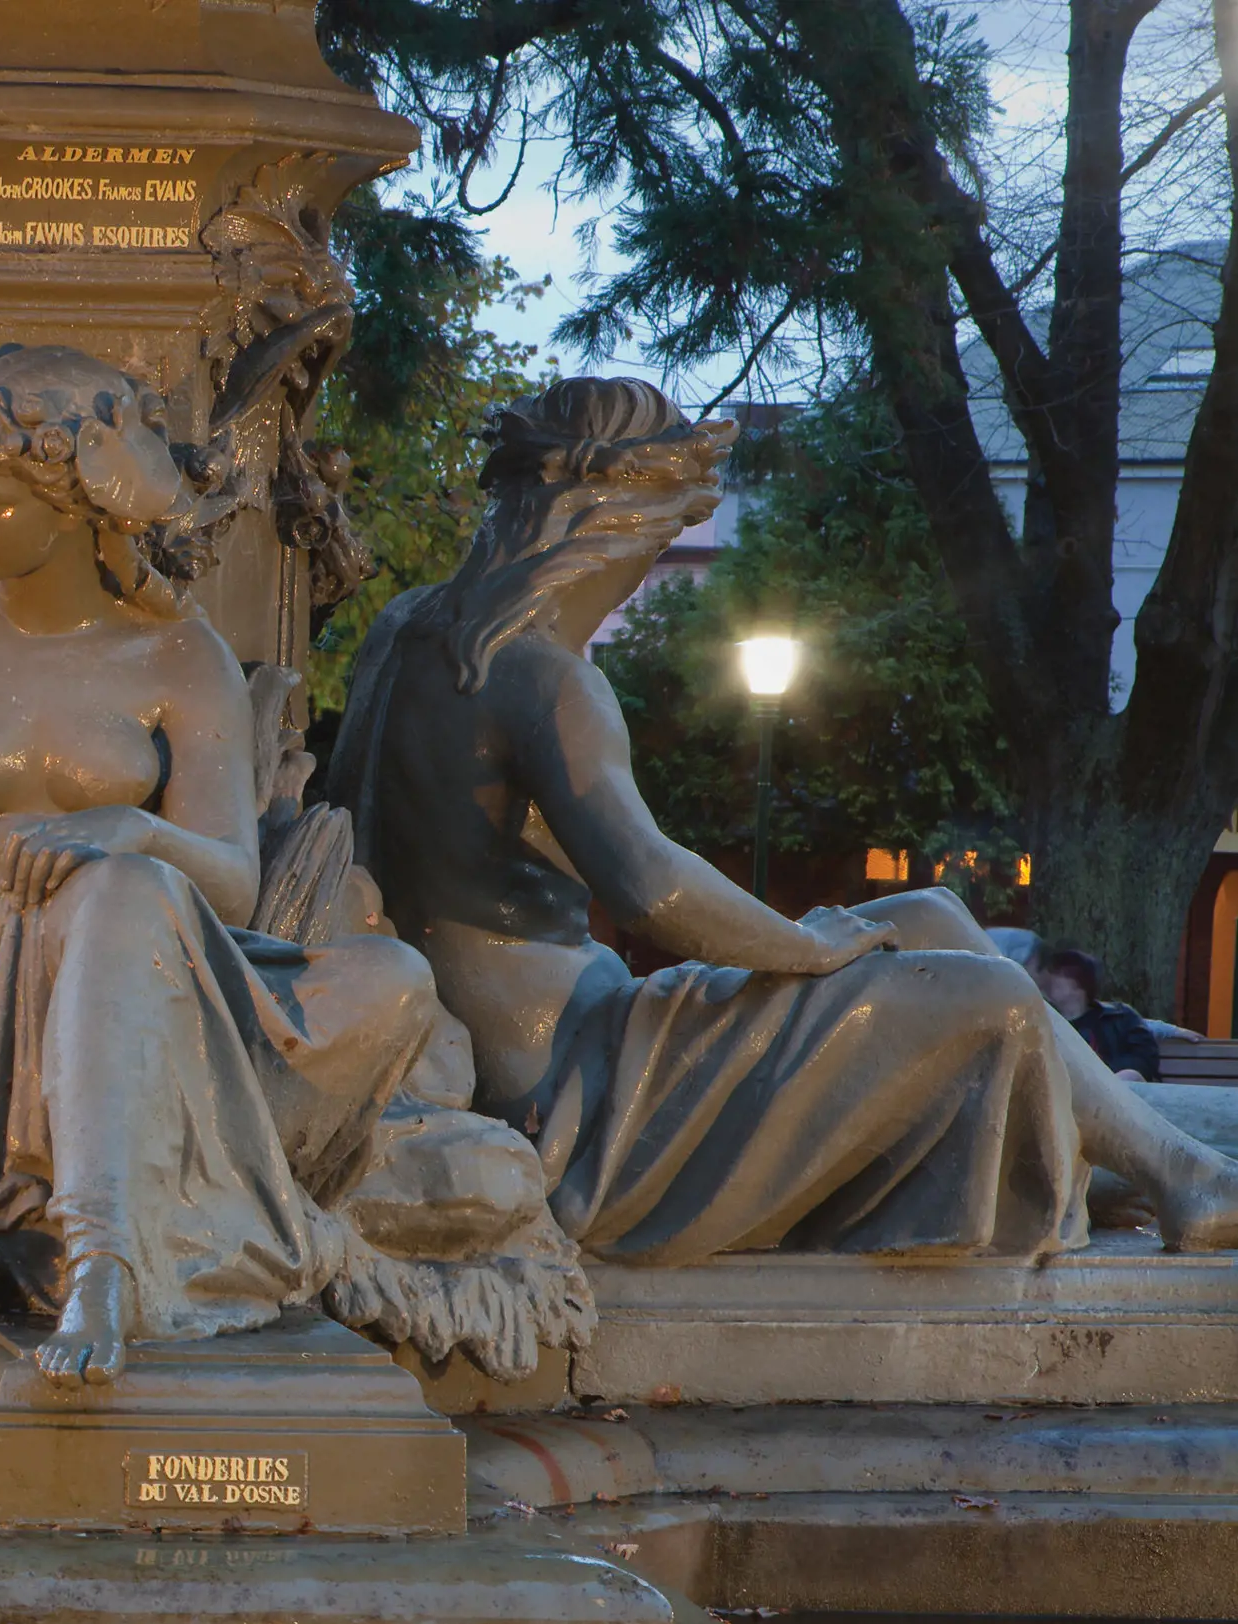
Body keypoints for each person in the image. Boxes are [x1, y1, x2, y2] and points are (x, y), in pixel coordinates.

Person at [0, 343, 505, 1382]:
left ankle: (34, 1253)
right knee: (116, 890)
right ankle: (105, 1265)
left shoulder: (176, 656)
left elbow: (231, 887)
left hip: (149, 1007)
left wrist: (137, 831)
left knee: (390, 979)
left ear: (71, 506)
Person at [331, 376, 1238, 1259]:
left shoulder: (401, 632)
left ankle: (1179, 1169)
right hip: (579, 1092)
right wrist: (808, 948)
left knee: (932, 916)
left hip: (544, 1046)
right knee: (994, 991)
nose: (644, 569)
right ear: (613, 529)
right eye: (663, 537)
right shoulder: (544, 677)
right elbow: (648, 885)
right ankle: (1171, 1172)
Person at [1039, 950, 1162, 1082]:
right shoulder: (1044, 1022)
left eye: (1059, 973)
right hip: (1067, 1091)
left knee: (1130, 1075)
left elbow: (1145, 1059)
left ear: (1079, 984)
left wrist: (1104, 1076)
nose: (1050, 980)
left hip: (1116, 1089)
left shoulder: (1120, 1016)